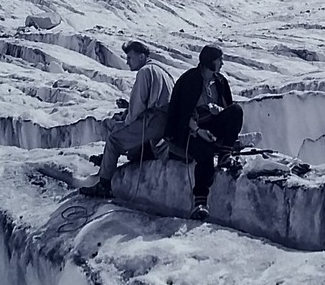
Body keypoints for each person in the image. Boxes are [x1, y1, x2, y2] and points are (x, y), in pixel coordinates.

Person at [80, 40, 173, 199]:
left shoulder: (145, 72)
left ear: (142, 56)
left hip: (153, 119)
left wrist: (124, 123)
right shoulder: (162, 71)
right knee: (132, 139)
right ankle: (111, 160)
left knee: (114, 140)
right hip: (165, 121)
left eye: (130, 57)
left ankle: (104, 184)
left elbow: (138, 107)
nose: (127, 61)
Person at [165, 44, 244, 219]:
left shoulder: (220, 82)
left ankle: (225, 154)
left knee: (236, 111)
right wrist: (198, 130)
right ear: (210, 61)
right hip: (190, 132)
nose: (222, 64)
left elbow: (227, 108)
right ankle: (200, 202)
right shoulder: (189, 80)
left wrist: (220, 112)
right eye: (219, 60)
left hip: (211, 126)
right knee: (205, 152)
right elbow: (181, 113)